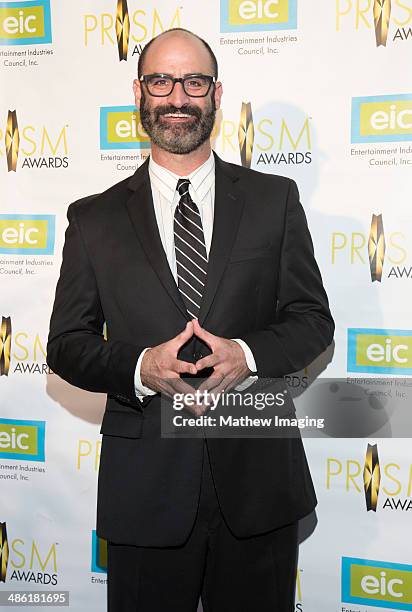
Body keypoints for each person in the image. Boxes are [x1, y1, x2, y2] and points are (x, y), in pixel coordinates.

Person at [47, 27, 334, 612]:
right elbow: (66, 344)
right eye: (162, 80)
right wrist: (138, 365)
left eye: (194, 81)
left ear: (217, 93)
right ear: (140, 93)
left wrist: (248, 355)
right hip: (145, 491)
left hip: (257, 484)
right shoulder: (94, 218)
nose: (178, 96)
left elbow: (312, 320)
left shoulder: (273, 199)